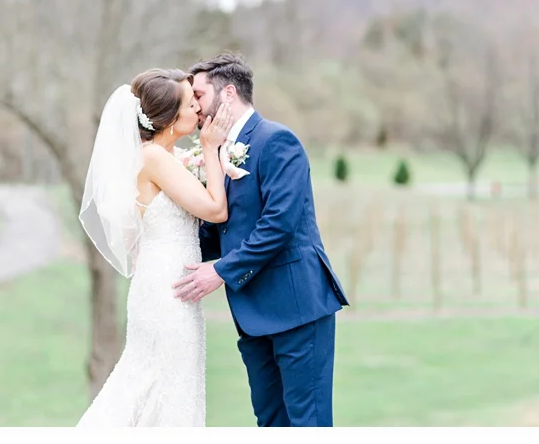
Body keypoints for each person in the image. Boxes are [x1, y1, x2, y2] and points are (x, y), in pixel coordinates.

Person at [172, 52, 349, 427]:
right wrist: (166, 246)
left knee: (308, 423)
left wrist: (220, 272)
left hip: (297, 308)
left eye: (199, 95)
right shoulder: (215, 153)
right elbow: (221, 230)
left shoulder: (277, 141)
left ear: (229, 93)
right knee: (269, 422)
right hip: (252, 316)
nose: (195, 106)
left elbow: (279, 225)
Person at [76, 68, 233, 427]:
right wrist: (211, 149)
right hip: (167, 294)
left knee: (164, 382)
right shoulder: (154, 158)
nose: (198, 109)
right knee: (165, 385)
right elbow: (215, 210)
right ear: (169, 118)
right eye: (190, 104)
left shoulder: (161, 157)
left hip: (166, 284)